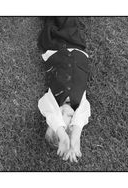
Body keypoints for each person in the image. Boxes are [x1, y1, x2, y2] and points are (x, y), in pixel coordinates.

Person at [38, 17, 91, 162]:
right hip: (75, 45)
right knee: (68, 19)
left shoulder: (51, 99)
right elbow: (82, 116)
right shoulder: (81, 103)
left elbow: (48, 110)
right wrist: (74, 137)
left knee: (50, 23)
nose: (62, 112)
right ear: (74, 121)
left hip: (53, 48)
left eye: (58, 116)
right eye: (67, 118)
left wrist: (61, 134)